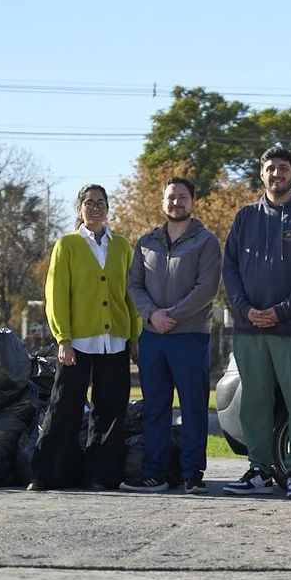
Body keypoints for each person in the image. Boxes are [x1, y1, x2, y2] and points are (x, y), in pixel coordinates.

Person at [222, 147, 291, 500]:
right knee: (254, 402)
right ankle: (259, 470)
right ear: (261, 174)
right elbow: (231, 269)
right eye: (270, 168)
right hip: (249, 329)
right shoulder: (245, 217)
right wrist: (244, 308)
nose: (276, 174)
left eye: (283, 168)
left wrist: (282, 311)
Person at [28, 184, 141, 492]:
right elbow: (56, 294)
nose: (95, 208)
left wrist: (134, 335)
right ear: (79, 209)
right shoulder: (67, 245)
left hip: (115, 340)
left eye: (101, 203)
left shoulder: (122, 246)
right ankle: (48, 474)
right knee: (64, 405)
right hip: (76, 341)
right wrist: (62, 338)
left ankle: (101, 475)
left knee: (111, 408)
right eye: (89, 203)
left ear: (108, 208)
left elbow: (130, 295)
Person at [122, 177, 222, 495]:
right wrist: (152, 314)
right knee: (155, 407)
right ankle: (155, 473)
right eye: (170, 197)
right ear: (162, 202)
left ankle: (192, 474)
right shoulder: (146, 242)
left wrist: (173, 316)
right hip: (153, 337)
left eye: (182, 197)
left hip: (189, 336)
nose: (176, 202)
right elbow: (134, 284)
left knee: (193, 407)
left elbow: (206, 288)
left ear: (193, 202)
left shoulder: (205, 242)